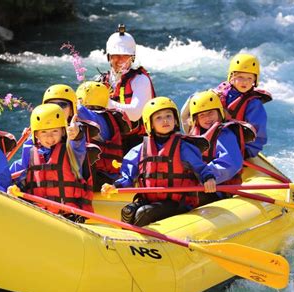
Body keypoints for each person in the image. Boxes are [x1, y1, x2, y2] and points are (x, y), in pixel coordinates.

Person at [101, 97, 216, 227]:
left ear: (175, 120)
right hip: (149, 199)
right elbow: (128, 175)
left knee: (144, 213)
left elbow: (201, 168)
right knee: (128, 211)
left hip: (178, 203)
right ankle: (125, 240)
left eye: (168, 116)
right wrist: (115, 186)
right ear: (150, 123)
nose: (165, 120)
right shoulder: (140, 149)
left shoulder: (183, 147)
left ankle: (136, 241)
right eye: (159, 118)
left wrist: (208, 178)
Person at [9, 104, 94, 222]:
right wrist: (13, 187)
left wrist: (76, 135)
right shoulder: (31, 153)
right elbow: (16, 176)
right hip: (39, 215)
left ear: (63, 131)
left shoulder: (71, 151)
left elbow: (78, 147)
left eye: (55, 131)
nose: (49, 137)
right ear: (36, 135)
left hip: (69, 217)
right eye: (44, 132)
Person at [96, 24, 156, 153]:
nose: (120, 60)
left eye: (125, 56)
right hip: (111, 140)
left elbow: (134, 114)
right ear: (109, 57)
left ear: (132, 57)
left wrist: (103, 102)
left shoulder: (140, 80)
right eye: (115, 55)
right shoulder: (100, 82)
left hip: (138, 142)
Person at [188, 90, 256, 203]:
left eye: (210, 113)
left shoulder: (224, 134)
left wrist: (205, 175)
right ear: (196, 119)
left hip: (219, 189)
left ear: (220, 113)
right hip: (201, 184)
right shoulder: (196, 134)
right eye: (202, 115)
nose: (207, 118)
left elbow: (230, 163)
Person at [76, 81, 132, 191]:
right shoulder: (108, 117)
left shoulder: (90, 115)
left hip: (98, 177)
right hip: (111, 176)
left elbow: (75, 108)